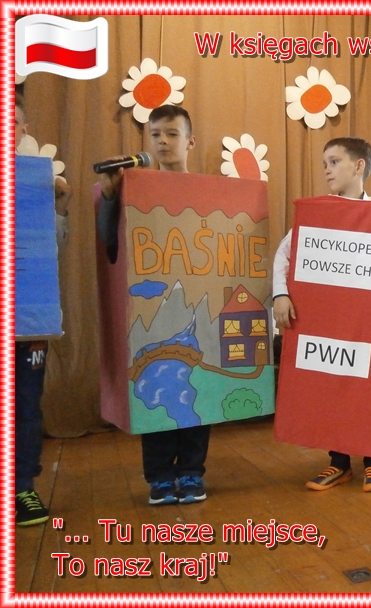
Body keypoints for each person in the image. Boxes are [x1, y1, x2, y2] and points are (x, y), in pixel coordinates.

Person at [273, 137, 371, 492]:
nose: (327, 170)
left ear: (358, 166)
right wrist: (280, 293)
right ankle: (339, 463)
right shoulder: (318, 214)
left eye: (334, 161)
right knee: (331, 385)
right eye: (324, 163)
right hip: (329, 321)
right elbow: (284, 253)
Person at [96, 105, 210, 504]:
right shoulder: (134, 187)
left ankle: (192, 471)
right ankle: (160, 476)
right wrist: (111, 194)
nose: (162, 141)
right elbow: (110, 241)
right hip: (151, 308)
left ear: (190, 142)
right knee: (158, 388)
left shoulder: (207, 190)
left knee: (197, 389)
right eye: (156, 134)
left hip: (196, 302)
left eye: (172, 134)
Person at [14, 95, 72, 526]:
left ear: (25, 130)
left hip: (29, 320)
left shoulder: (38, 181)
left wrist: (57, 206)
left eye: (15, 122)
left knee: (26, 405)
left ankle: (23, 488)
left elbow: (53, 251)